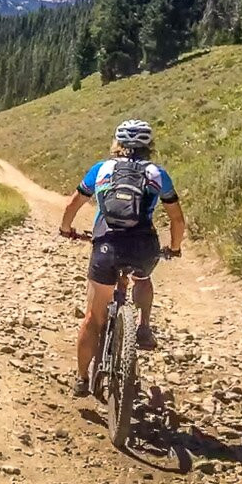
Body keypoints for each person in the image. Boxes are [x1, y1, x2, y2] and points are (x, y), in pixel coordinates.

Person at [58, 119, 185, 398]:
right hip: (143, 246)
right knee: (143, 276)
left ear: (117, 143)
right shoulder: (157, 174)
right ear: (149, 146)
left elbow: (72, 204)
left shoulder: (101, 169)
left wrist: (66, 230)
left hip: (107, 246)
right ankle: (143, 326)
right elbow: (176, 218)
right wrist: (174, 248)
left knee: (93, 316)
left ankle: (81, 379)